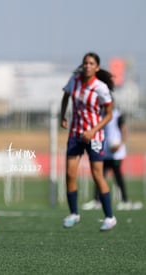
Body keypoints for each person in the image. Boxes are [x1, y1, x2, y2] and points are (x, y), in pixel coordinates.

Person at [60, 52, 117, 231]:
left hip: (95, 136)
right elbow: (65, 96)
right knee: (70, 174)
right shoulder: (74, 81)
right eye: (85, 63)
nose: (87, 66)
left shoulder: (100, 87)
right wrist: (62, 116)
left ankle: (110, 217)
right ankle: (74, 214)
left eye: (91, 63)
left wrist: (93, 130)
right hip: (75, 134)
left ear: (97, 67)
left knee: (97, 175)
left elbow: (108, 114)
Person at [82, 106, 133, 210]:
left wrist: (120, 144)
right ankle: (96, 200)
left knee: (118, 176)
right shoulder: (100, 115)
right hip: (104, 152)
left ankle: (125, 200)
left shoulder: (117, 115)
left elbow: (124, 131)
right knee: (99, 175)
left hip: (115, 154)